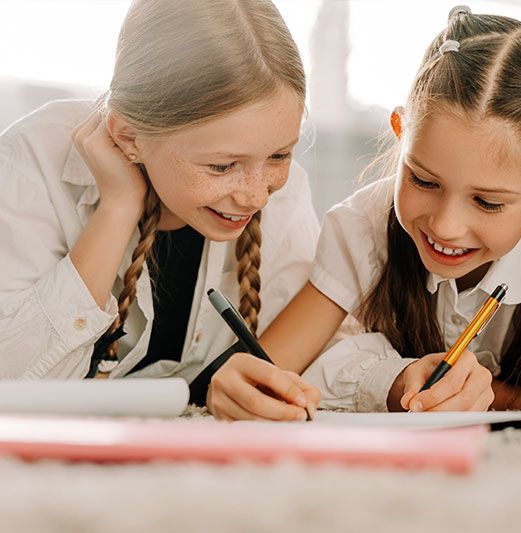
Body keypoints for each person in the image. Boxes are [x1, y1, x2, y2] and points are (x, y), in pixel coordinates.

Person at [210, 5, 521, 420]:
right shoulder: (363, 224)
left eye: (488, 202)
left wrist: (465, 390)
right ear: (400, 132)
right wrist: (236, 382)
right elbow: (273, 365)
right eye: (423, 181)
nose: (445, 225)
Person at [0, 0, 320, 421]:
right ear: (128, 136)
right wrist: (117, 207)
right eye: (222, 166)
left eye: (280, 156)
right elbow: (16, 391)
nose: (256, 196)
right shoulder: (30, 163)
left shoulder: (287, 192)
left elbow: (320, 355)